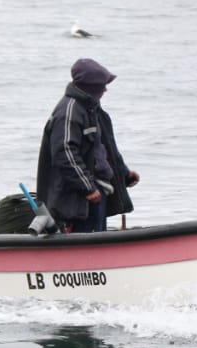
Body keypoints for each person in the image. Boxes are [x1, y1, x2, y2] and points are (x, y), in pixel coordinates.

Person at [36, 58, 139, 232]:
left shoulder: (93, 110)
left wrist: (124, 174)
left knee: (98, 241)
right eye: (102, 85)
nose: (105, 89)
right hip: (81, 199)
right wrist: (87, 188)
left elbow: (107, 149)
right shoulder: (68, 112)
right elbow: (65, 154)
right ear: (90, 86)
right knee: (87, 241)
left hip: (98, 193)